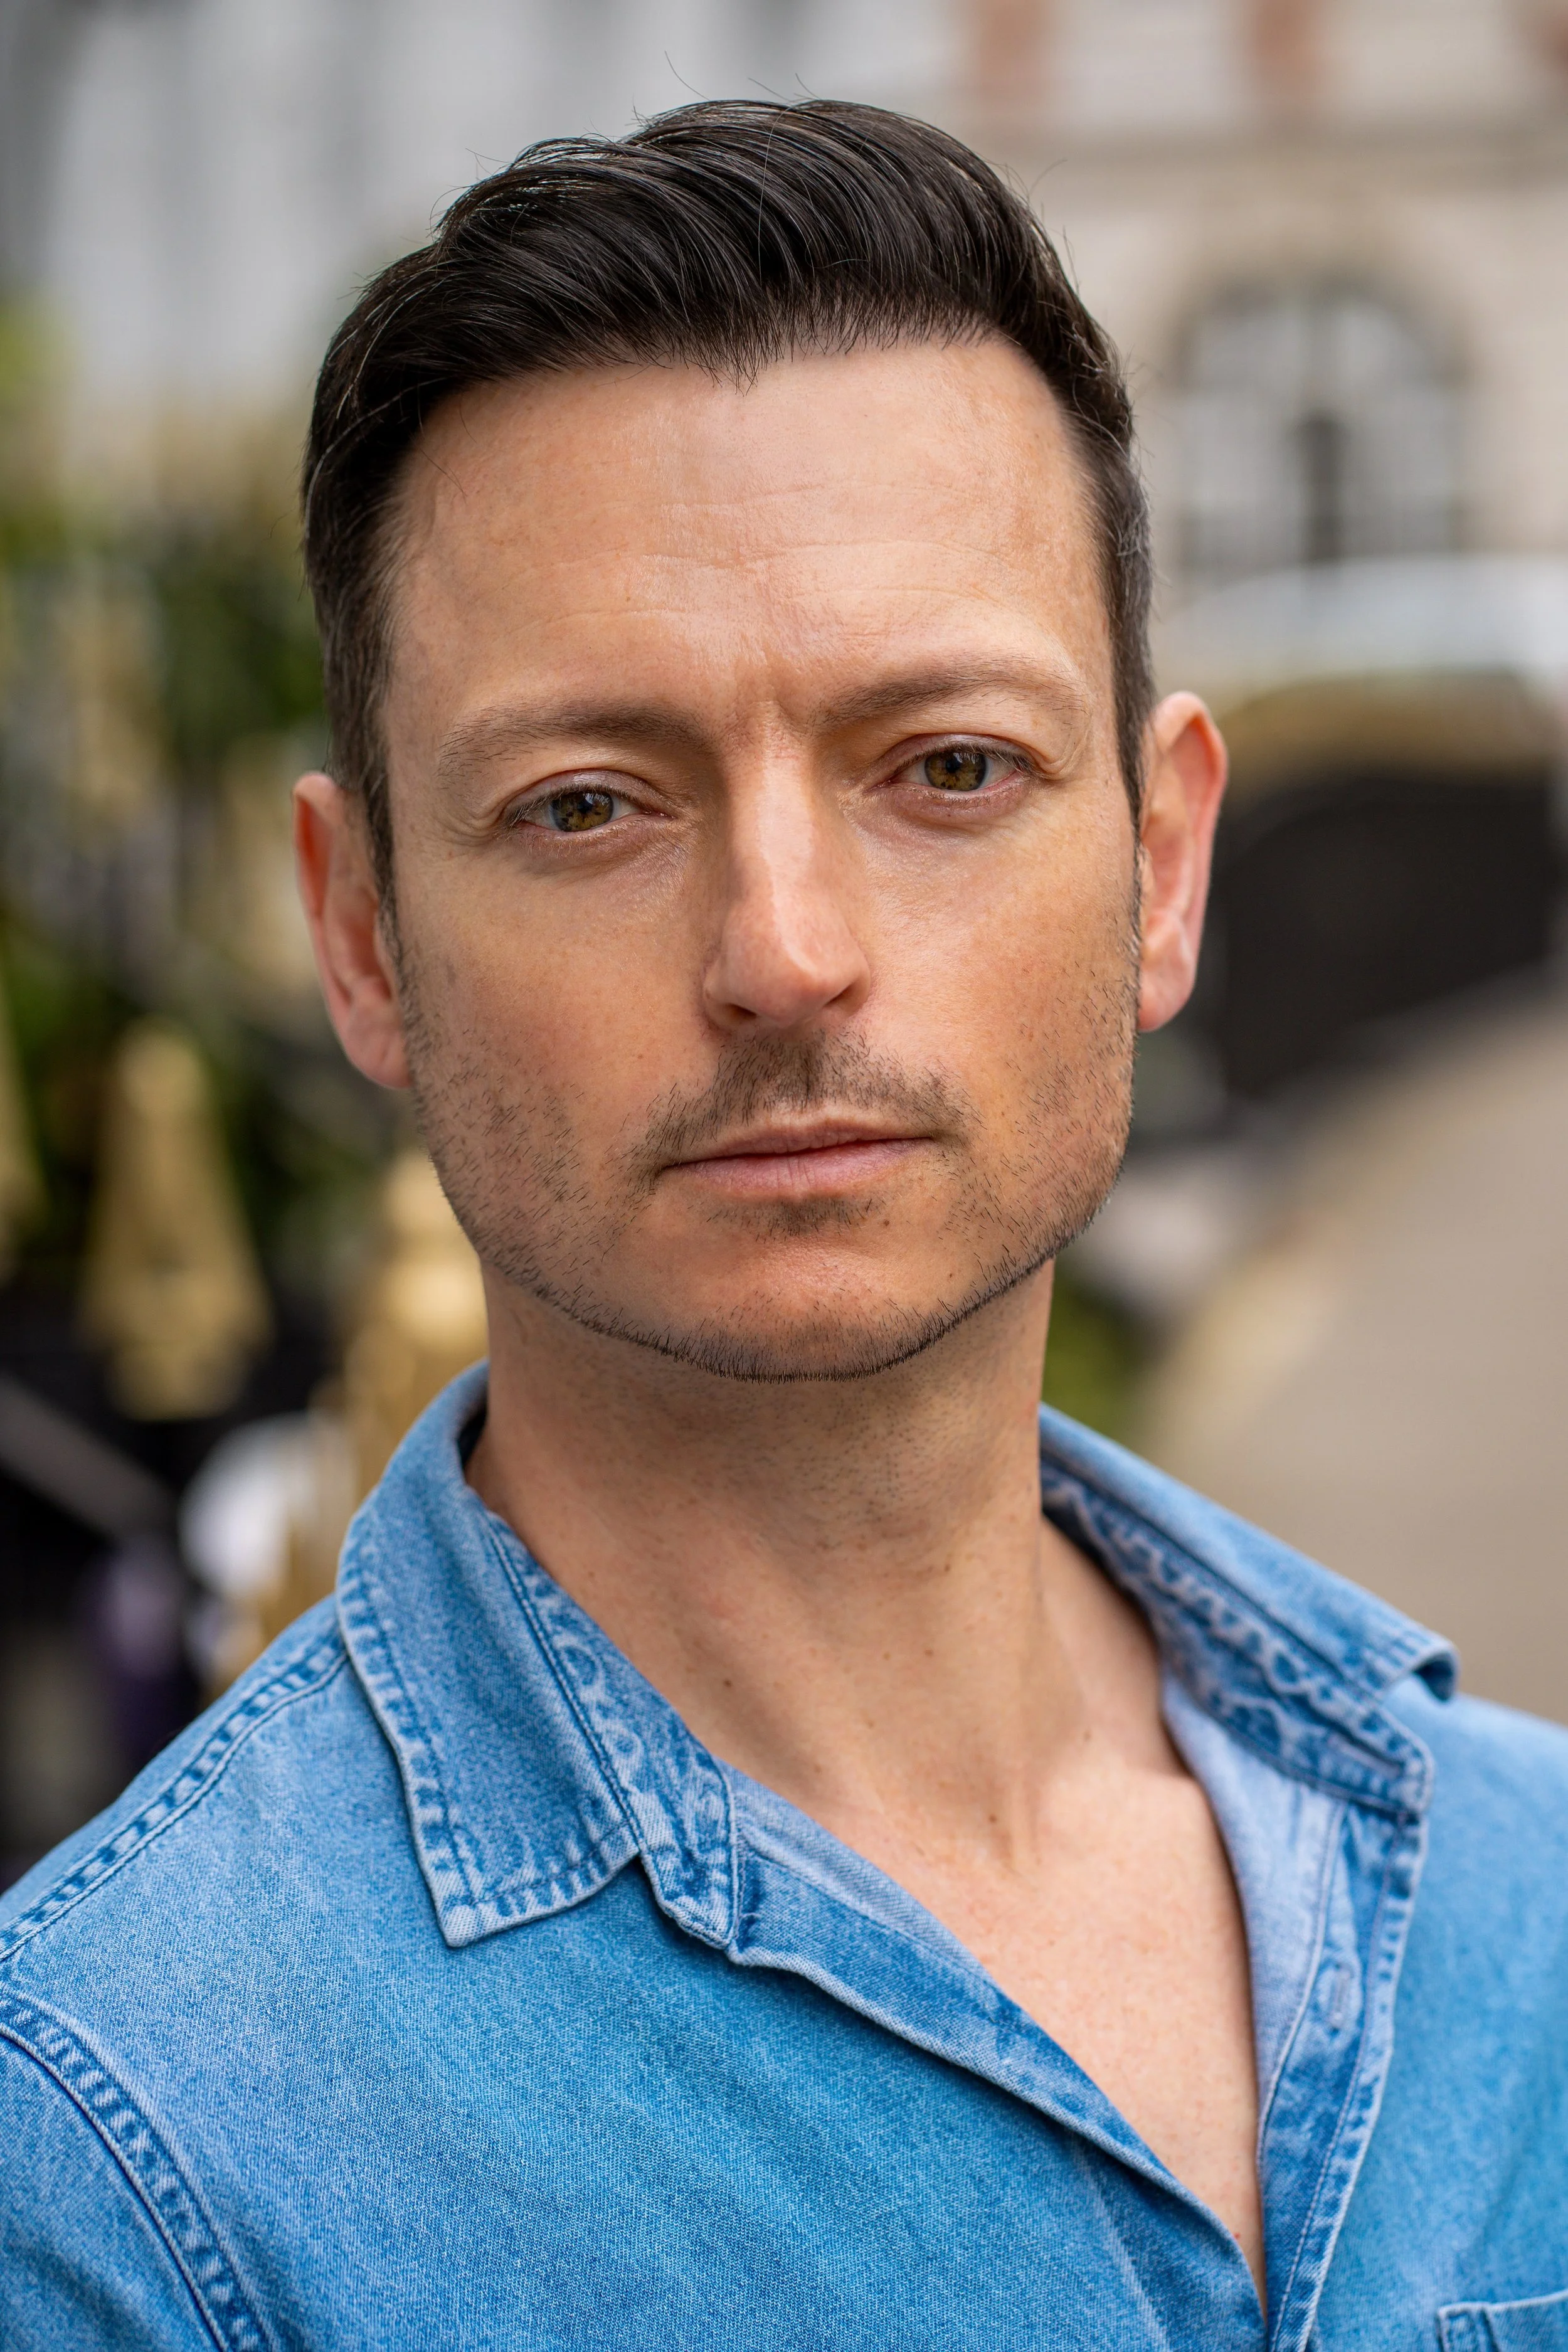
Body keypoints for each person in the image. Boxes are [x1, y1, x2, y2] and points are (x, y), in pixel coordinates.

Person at [3, 100, 1565, 2352]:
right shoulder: (122, 2159)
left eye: (945, 767)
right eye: (588, 803)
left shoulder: (1511, 1894)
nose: (785, 947)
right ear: (360, 936)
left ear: (1162, 862)